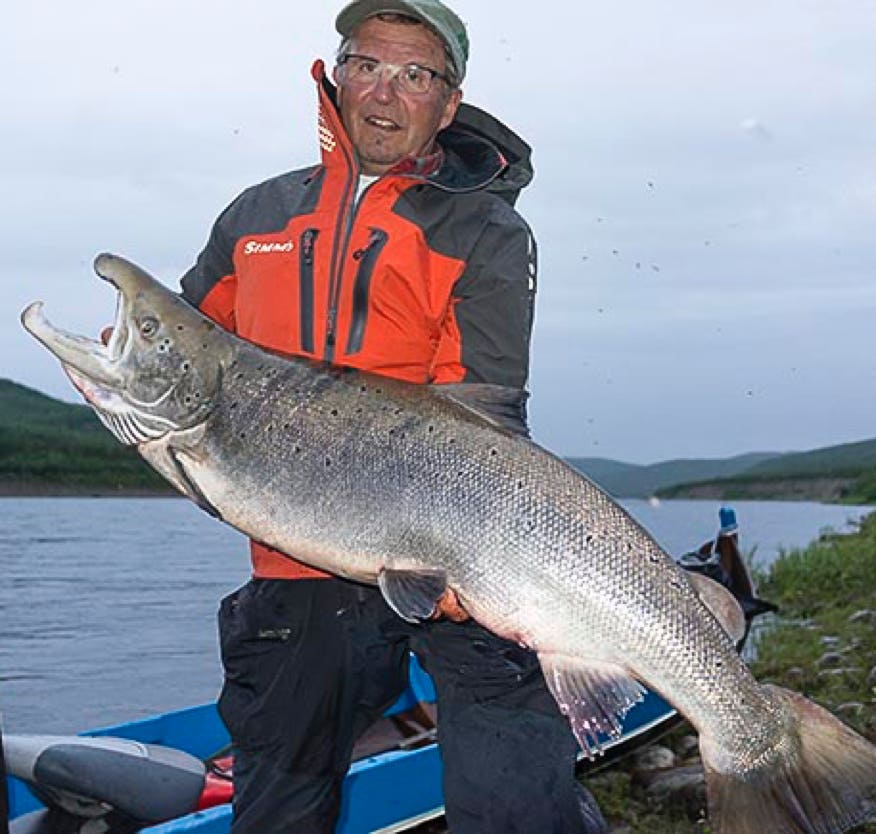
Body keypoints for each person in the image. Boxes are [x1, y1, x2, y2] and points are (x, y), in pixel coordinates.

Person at [179, 2, 605, 832]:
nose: (385, 90)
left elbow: (480, 408)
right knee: (278, 810)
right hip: (300, 560)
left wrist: (466, 560)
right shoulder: (254, 217)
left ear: (448, 104)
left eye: (416, 74)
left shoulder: (487, 231)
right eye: (367, 64)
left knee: (519, 800)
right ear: (336, 77)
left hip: (462, 561)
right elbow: (195, 361)